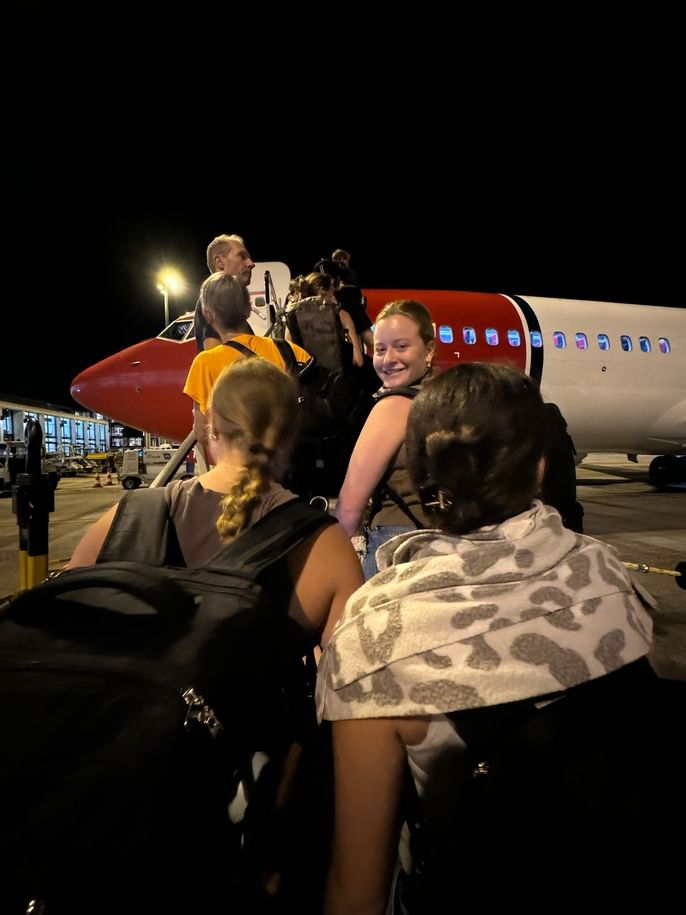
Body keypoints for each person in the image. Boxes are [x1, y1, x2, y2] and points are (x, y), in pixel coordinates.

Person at [316, 363, 656, 915]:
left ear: (418, 472)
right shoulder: (607, 574)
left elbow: (358, 889)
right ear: (541, 466)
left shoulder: (373, 631)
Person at [67, 357, 364, 650]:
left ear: (212, 426)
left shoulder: (128, 516)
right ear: (292, 434)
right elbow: (347, 681)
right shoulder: (324, 545)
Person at [334, 299, 436, 578]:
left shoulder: (393, 406)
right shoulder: (442, 399)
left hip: (395, 547)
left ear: (429, 349)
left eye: (401, 347)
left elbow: (349, 508)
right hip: (441, 542)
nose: (388, 358)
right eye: (379, 349)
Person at [184, 272, 311, 455]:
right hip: (292, 463)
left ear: (207, 315)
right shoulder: (290, 351)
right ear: (248, 309)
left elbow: (202, 431)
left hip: (242, 470)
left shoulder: (205, 363)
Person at [194, 233, 256, 351]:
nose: (251, 264)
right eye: (242, 256)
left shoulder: (224, 306)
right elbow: (218, 364)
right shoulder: (212, 299)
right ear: (220, 263)